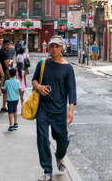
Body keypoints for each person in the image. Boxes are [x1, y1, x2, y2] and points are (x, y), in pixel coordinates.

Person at [32, 35, 76, 181]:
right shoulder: (43, 63)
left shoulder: (68, 67)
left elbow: (71, 90)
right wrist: (38, 86)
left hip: (59, 110)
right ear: (49, 47)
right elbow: (34, 79)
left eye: (57, 46)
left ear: (62, 47)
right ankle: (47, 170)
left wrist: (70, 110)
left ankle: (59, 156)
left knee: (62, 140)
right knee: (42, 138)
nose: (54, 49)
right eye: (52, 46)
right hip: (43, 108)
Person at [0, 37, 11, 113]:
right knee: (5, 91)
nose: (8, 46)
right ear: (3, 44)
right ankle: (3, 107)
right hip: (3, 73)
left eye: (9, 45)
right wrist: (10, 63)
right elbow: (6, 65)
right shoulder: (4, 53)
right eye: (6, 45)